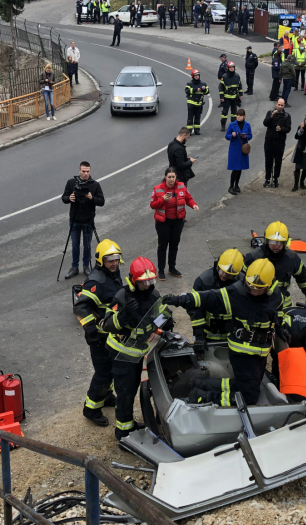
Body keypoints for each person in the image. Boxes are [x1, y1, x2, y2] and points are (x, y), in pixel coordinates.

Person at [161, 259, 283, 406]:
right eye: (250, 286)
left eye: (259, 288)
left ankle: (202, 385)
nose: (253, 291)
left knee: (242, 385)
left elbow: (279, 311)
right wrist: (179, 299)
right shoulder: (237, 292)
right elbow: (206, 297)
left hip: (261, 353)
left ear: (269, 286)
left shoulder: (275, 294)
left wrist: (281, 326)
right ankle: (202, 397)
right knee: (250, 397)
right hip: (242, 353)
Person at [102, 257, 172, 439]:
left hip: (136, 353)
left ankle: (128, 425)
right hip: (120, 353)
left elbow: (156, 319)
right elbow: (107, 325)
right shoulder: (122, 296)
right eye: (143, 282)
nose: (148, 285)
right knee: (125, 392)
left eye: (151, 281)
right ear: (133, 280)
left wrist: (166, 322)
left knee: (131, 389)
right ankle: (123, 433)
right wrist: (123, 315)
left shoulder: (153, 295)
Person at [72, 239, 123, 426]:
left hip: (111, 334)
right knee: (103, 373)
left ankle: (106, 395)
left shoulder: (113, 274)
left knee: (110, 370)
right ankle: (91, 409)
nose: (114, 263)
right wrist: (91, 330)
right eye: (110, 259)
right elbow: (81, 307)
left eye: (117, 259)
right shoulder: (96, 281)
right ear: (101, 260)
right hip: (100, 337)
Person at [243, 221, 306, 312]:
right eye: (273, 241)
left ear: (285, 242)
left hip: (282, 306)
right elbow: (241, 279)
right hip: (257, 304)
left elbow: (302, 277)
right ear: (267, 240)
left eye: (280, 242)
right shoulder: (254, 257)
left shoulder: (292, 258)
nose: (276, 246)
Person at [190, 249, 244, 347]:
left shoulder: (243, 283)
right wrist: (199, 335)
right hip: (208, 333)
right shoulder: (204, 281)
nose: (222, 276)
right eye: (221, 270)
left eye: (228, 275)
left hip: (233, 335)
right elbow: (195, 309)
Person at [151, 168, 198, 279]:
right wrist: (163, 200)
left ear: (176, 177)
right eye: (169, 177)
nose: (171, 179)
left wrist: (194, 205)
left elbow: (188, 199)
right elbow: (152, 205)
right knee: (162, 246)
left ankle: (172, 268)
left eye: (173, 177)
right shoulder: (157, 189)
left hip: (177, 221)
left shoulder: (182, 186)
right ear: (165, 177)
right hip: (163, 222)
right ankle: (161, 270)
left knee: (174, 245)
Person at [61, 162, 105, 278]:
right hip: (75, 220)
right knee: (75, 245)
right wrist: (69, 198)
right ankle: (74, 267)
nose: (86, 173)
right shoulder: (71, 183)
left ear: (90, 171)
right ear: (79, 171)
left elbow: (101, 201)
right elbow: (63, 198)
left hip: (88, 220)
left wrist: (91, 197)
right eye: (84, 171)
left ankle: (86, 266)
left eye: (88, 171)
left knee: (87, 245)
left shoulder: (95, 185)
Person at [263, 98, 291, 188]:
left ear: (284, 106)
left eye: (282, 105)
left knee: (278, 161)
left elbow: (288, 128)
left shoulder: (286, 116)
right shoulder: (270, 112)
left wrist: (281, 129)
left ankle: (275, 179)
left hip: (280, 142)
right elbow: (265, 123)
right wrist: (271, 116)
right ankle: (267, 178)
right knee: (268, 161)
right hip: (269, 141)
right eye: (279, 105)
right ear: (276, 104)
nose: (280, 106)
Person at [226, 109, 252, 195]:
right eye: (237, 115)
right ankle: (231, 186)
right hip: (234, 149)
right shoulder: (232, 124)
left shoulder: (247, 125)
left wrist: (245, 137)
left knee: (240, 168)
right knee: (235, 168)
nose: (238, 117)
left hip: (243, 148)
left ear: (244, 116)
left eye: (240, 115)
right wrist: (232, 135)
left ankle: (236, 185)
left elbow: (250, 135)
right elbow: (227, 136)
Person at [219, 61, 242, 132]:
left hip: (234, 98)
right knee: (224, 112)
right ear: (228, 68)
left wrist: (241, 94)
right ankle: (223, 125)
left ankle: (233, 125)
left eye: (233, 67)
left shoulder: (237, 76)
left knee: (234, 113)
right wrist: (221, 97)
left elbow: (240, 86)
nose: (232, 69)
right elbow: (221, 88)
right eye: (230, 67)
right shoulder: (224, 77)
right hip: (226, 98)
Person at [185, 69, 209, 135]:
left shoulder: (203, 84)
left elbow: (207, 92)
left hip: (199, 104)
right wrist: (195, 90)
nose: (197, 76)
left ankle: (197, 130)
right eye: (195, 75)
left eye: (198, 75)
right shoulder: (189, 84)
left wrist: (204, 89)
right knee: (190, 117)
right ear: (193, 76)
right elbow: (187, 91)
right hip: (191, 103)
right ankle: (189, 131)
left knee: (198, 117)